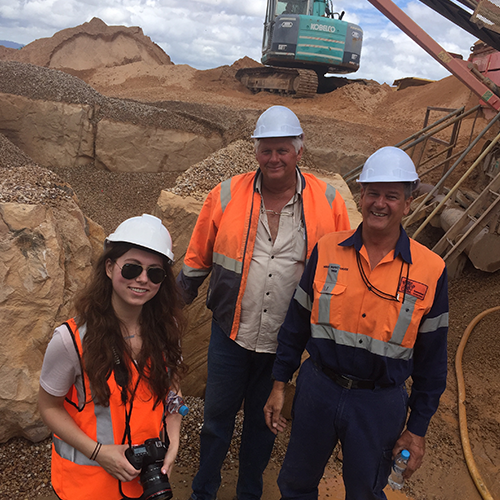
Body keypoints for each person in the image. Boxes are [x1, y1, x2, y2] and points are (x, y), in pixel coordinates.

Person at [177, 105, 351, 500]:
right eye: (266, 150)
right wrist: (166, 314)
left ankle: (248, 492)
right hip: (231, 334)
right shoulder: (225, 194)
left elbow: (341, 273)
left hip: (283, 343)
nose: (274, 159)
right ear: (255, 152)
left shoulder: (329, 201)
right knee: (216, 420)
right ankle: (203, 490)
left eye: (282, 150)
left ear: (299, 152)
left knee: (263, 423)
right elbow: (195, 261)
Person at [264, 146, 449, 500]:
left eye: (392, 196)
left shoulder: (431, 270)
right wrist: (278, 383)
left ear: (408, 203)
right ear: (361, 196)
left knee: (365, 491)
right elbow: (296, 323)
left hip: (378, 404)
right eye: (373, 193)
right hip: (319, 388)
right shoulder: (327, 249)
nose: (380, 203)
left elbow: (432, 361)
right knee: (296, 483)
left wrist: (418, 429)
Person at [38, 214, 187, 500]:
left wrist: (174, 439)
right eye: (132, 268)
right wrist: (100, 453)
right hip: (87, 488)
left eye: (155, 273)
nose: (143, 279)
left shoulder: (168, 329)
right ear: (109, 267)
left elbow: (172, 387)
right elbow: (48, 407)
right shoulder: (70, 340)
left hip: (144, 483)